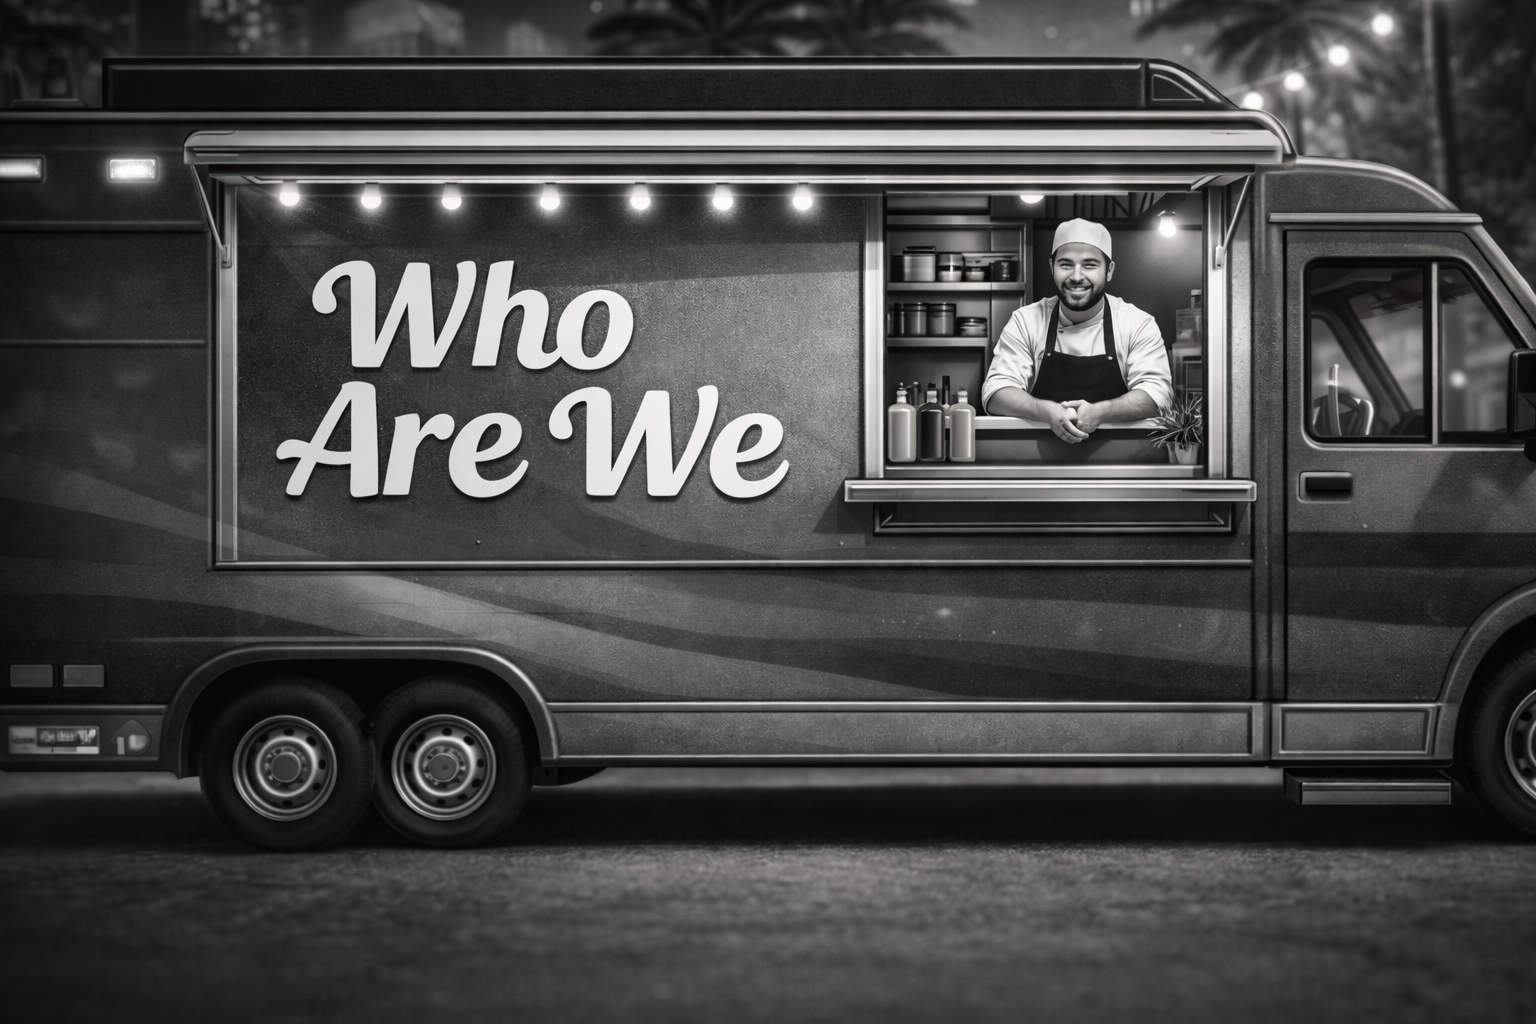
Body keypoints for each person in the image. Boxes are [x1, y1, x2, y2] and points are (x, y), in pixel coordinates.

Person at [981, 218, 1173, 443]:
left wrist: (1101, 412)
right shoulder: (1026, 320)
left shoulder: (1137, 324)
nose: (1077, 276)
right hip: (1036, 461)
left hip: (1119, 461)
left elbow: (1159, 397)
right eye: (1066, 264)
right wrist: (1046, 411)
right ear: (1052, 267)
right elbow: (996, 392)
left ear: (1109, 270)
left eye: (1090, 265)